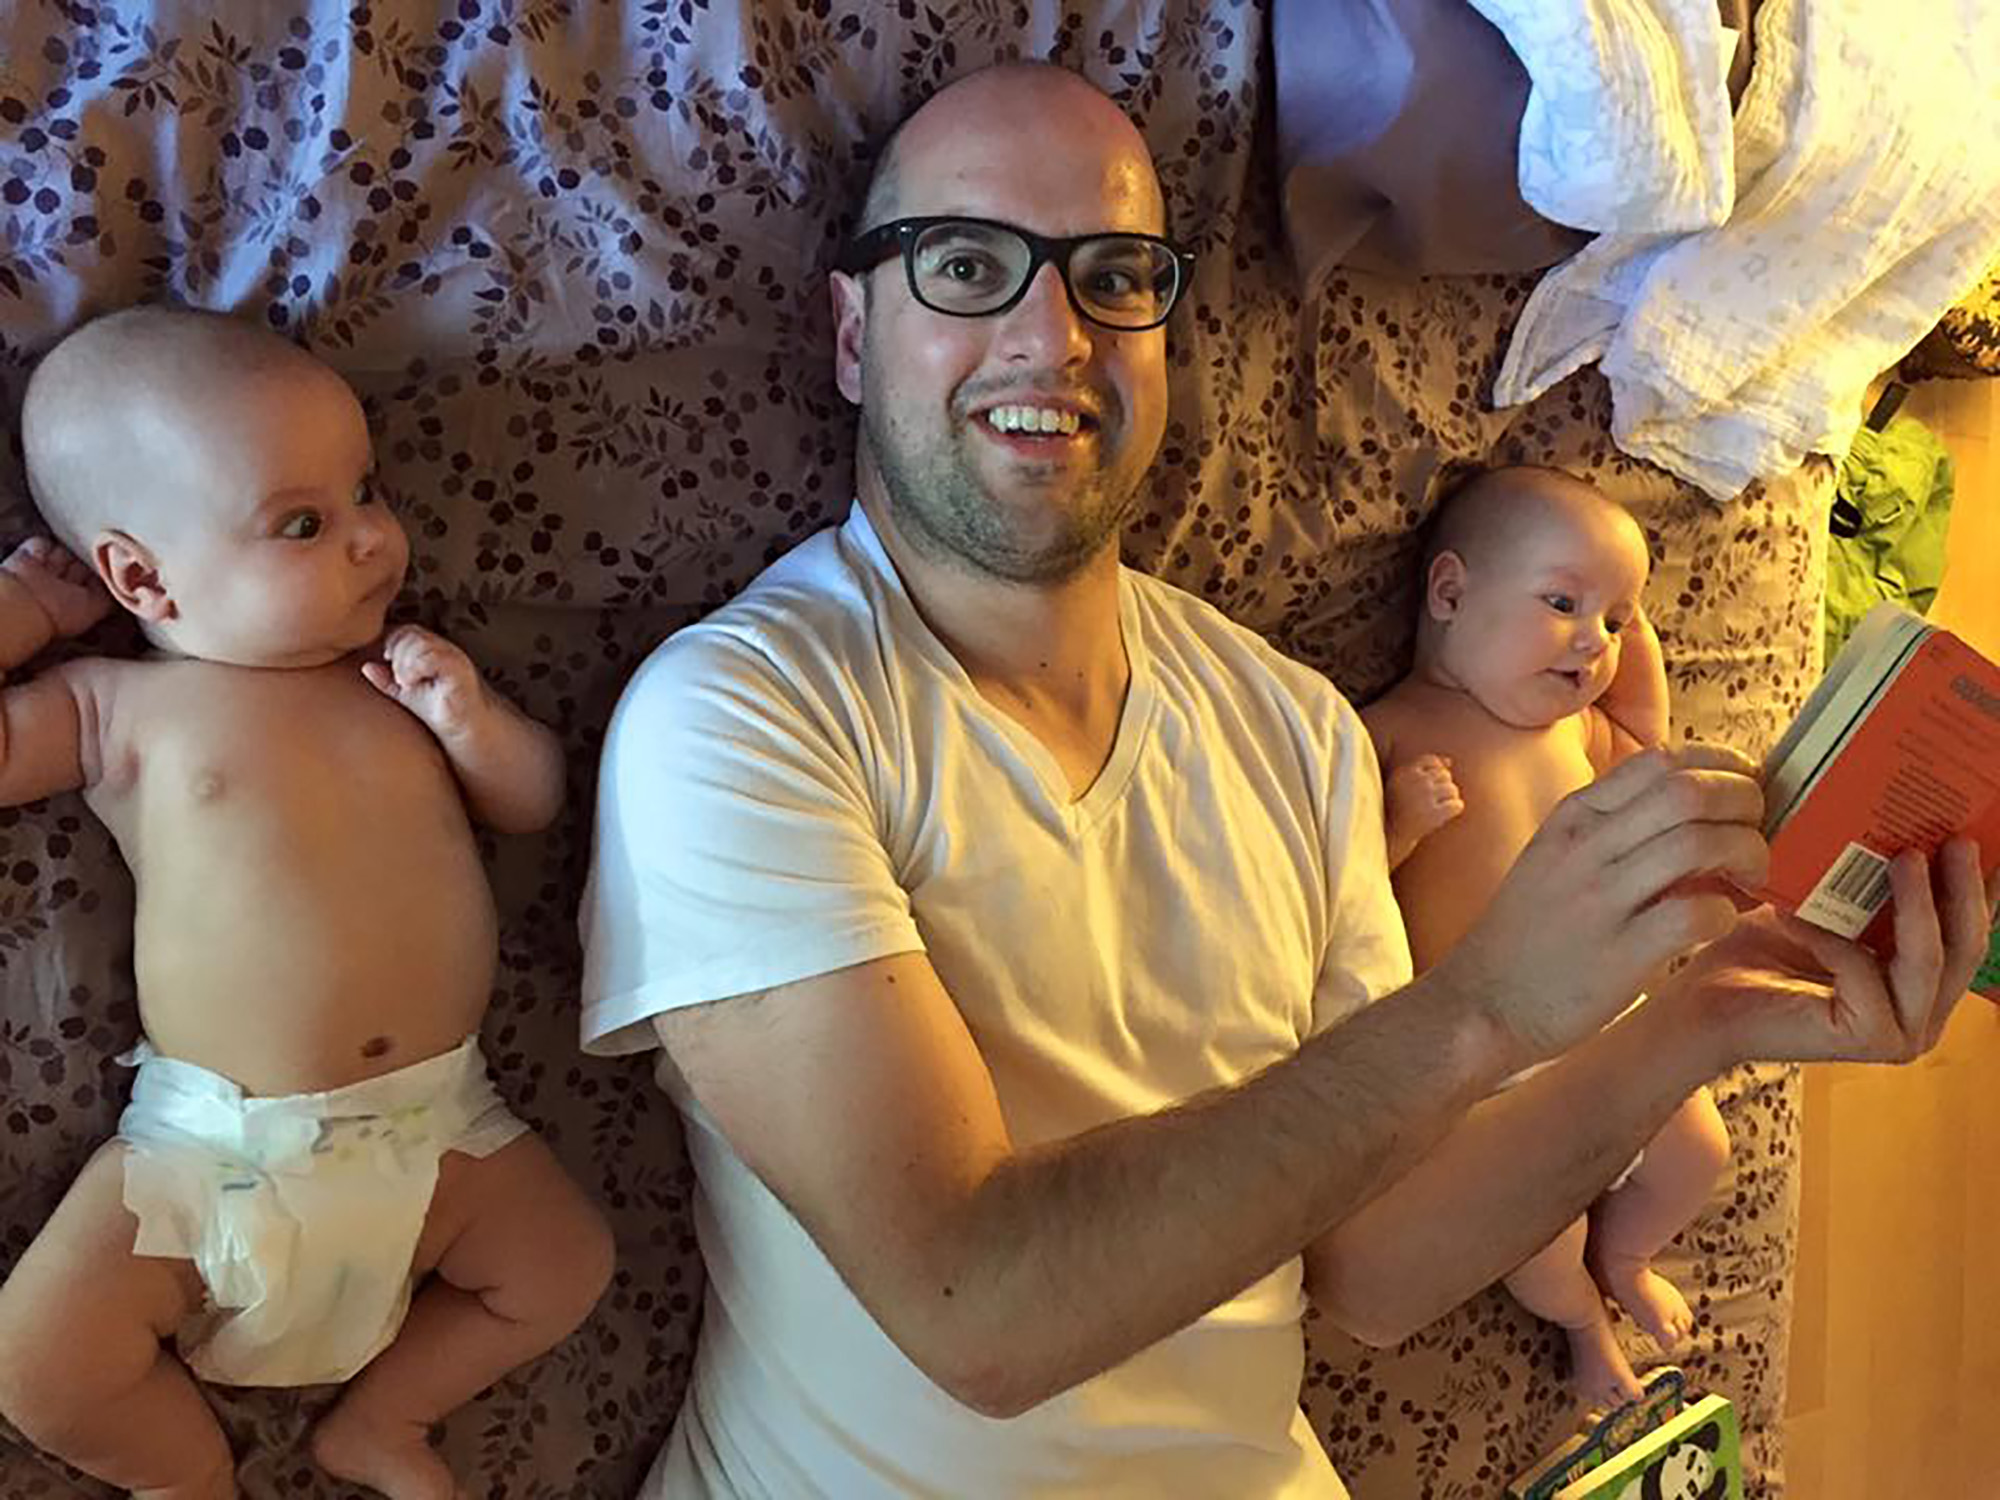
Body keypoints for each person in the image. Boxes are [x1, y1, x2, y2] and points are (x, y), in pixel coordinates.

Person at [578, 62, 1996, 1499]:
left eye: (1115, 277)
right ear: (850, 335)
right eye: (964, 266)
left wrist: (1701, 1019)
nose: (1048, 334)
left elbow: (1378, 1271)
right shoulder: (739, 717)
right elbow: (981, 1311)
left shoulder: (1298, 729)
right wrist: (1486, 1006)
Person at [0, 308, 614, 1500]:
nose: (375, 540)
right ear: (140, 577)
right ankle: (187, 1479)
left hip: (439, 1140)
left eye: (366, 493)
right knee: (35, 1366)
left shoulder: (397, 682)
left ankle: (383, 1424)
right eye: (304, 523)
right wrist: (23, 616)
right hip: (208, 1156)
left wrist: (473, 725)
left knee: (567, 1263)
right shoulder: (114, 710)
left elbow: (535, 804)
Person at [1364, 466, 1730, 1409]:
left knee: (1701, 1154)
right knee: (1535, 1245)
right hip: (1501, 1063)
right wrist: (1399, 824)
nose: (1593, 642)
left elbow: (1646, 747)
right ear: (1449, 593)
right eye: (1564, 602)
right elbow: (1342, 888)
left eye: (1615, 621)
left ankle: (1631, 1250)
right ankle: (1581, 1321)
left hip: (1614, 1028)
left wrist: (1626, 643)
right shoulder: (1391, 733)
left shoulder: (1574, 730)